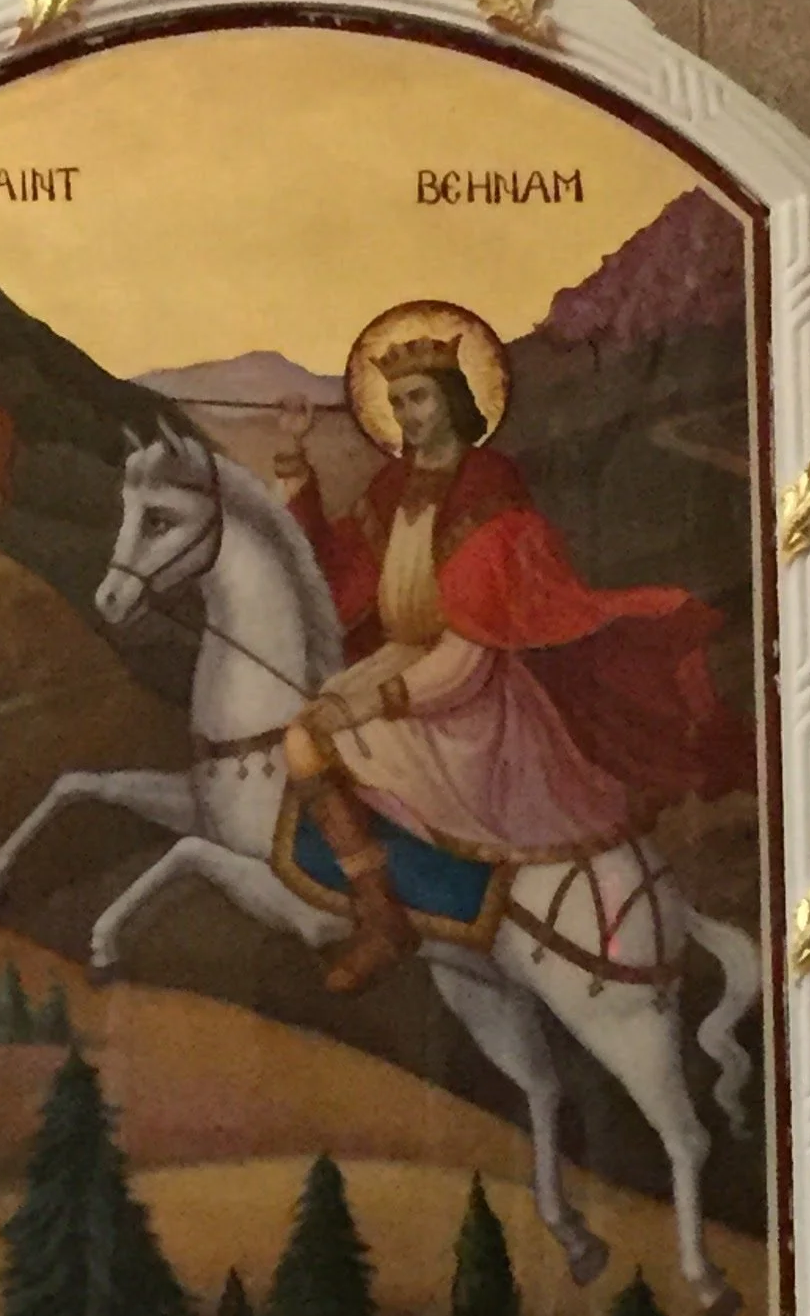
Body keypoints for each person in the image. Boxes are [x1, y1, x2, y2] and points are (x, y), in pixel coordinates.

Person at [274, 305, 752, 994]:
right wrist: (293, 456)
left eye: (418, 398)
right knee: (299, 738)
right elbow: (334, 567)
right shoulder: (392, 487)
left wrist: (383, 699)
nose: (407, 415)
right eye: (396, 402)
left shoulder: (491, 495)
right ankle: (384, 909)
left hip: (471, 689)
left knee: (313, 738)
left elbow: (474, 643)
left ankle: (384, 920)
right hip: (402, 659)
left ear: (454, 400)